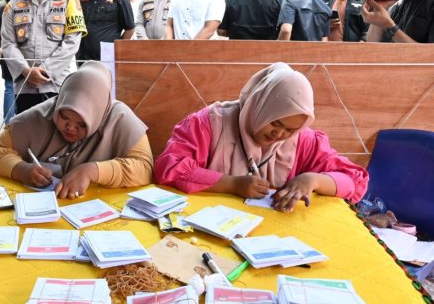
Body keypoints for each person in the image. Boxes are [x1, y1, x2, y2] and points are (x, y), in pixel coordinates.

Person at [154, 63, 369, 212]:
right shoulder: (209, 124)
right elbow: (170, 168)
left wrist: (312, 180)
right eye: (275, 122)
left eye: (290, 130)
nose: (279, 135)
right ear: (259, 105)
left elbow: (354, 181)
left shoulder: (303, 140)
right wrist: (232, 184)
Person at [0, 61, 153, 199]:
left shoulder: (120, 119)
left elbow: (145, 167)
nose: (70, 128)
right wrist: (21, 170)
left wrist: (93, 171)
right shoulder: (40, 116)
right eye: (64, 117)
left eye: (81, 124)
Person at [2, 0, 86, 114]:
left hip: (55, 84)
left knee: (56, 133)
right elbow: (8, 43)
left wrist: (44, 71)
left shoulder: (68, 2)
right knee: (27, 134)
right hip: (24, 86)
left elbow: (71, 43)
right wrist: (26, 71)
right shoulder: (13, 5)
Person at [0, 0, 25, 123]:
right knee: (19, 88)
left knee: (10, 88)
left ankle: (9, 124)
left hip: (6, 52)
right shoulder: (24, 6)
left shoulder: (1, 8)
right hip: (22, 54)